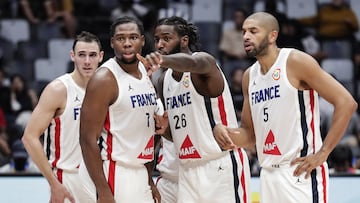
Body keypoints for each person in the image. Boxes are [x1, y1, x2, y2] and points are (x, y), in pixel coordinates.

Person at [212, 12, 358, 203]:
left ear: (273, 36)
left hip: (300, 173)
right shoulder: (249, 76)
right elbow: (249, 136)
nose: (246, 36)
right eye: (244, 32)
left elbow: (346, 102)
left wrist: (323, 154)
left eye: (253, 31)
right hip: (268, 175)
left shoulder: (295, 61)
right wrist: (222, 132)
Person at [139, 16, 251, 203]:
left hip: (219, 165)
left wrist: (162, 60)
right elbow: (176, 136)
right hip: (188, 169)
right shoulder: (163, 81)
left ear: (184, 40)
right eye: (157, 39)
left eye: (166, 38)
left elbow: (191, 63)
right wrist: (164, 129)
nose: (159, 44)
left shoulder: (203, 63)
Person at [79, 16, 166, 203]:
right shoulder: (104, 79)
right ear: (112, 43)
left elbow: (148, 129)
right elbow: (87, 140)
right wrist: (103, 192)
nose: (127, 43)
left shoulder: (144, 72)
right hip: (113, 171)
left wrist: (148, 179)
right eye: (120, 38)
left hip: (140, 170)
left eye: (133, 37)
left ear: (143, 40)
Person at [21, 31, 104, 203]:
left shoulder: (106, 90)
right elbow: (29, 138)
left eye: (92, 55)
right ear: (72, 56)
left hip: (101, 178)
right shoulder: (58, 89)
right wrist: (53, 183)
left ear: (101, 57)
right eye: (82, 55)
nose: (87, 61)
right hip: (68, 178)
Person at [219, 7, 252, 80]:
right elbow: (224, 50)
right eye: (236, 17)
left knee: (249, 68)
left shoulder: (250, 33)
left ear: (245, 19)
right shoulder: (228, 32)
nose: (238, 19)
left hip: (246, 60)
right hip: (231, 60)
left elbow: (253, 48)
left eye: (240, 17)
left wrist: (246, 55)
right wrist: (236, 55)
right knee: (225, 69)